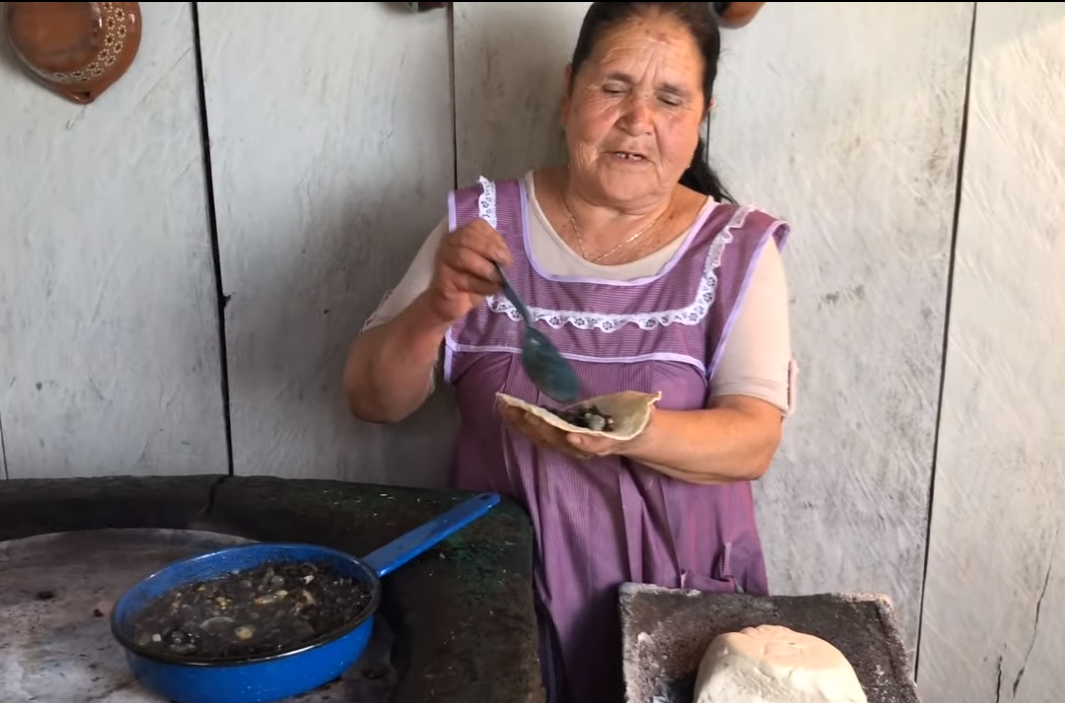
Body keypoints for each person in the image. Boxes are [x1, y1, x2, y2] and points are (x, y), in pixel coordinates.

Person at [343, 3, 796, 701]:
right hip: (501, 600)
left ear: (701, 112)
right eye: (613, 87)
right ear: (567, 91)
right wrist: (436, 307)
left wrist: (620, 432)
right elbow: (371, 399)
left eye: (669, 98)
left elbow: (752, 442)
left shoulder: (735, 250)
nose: (637, 119)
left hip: (678, 604)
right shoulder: (480, 227)